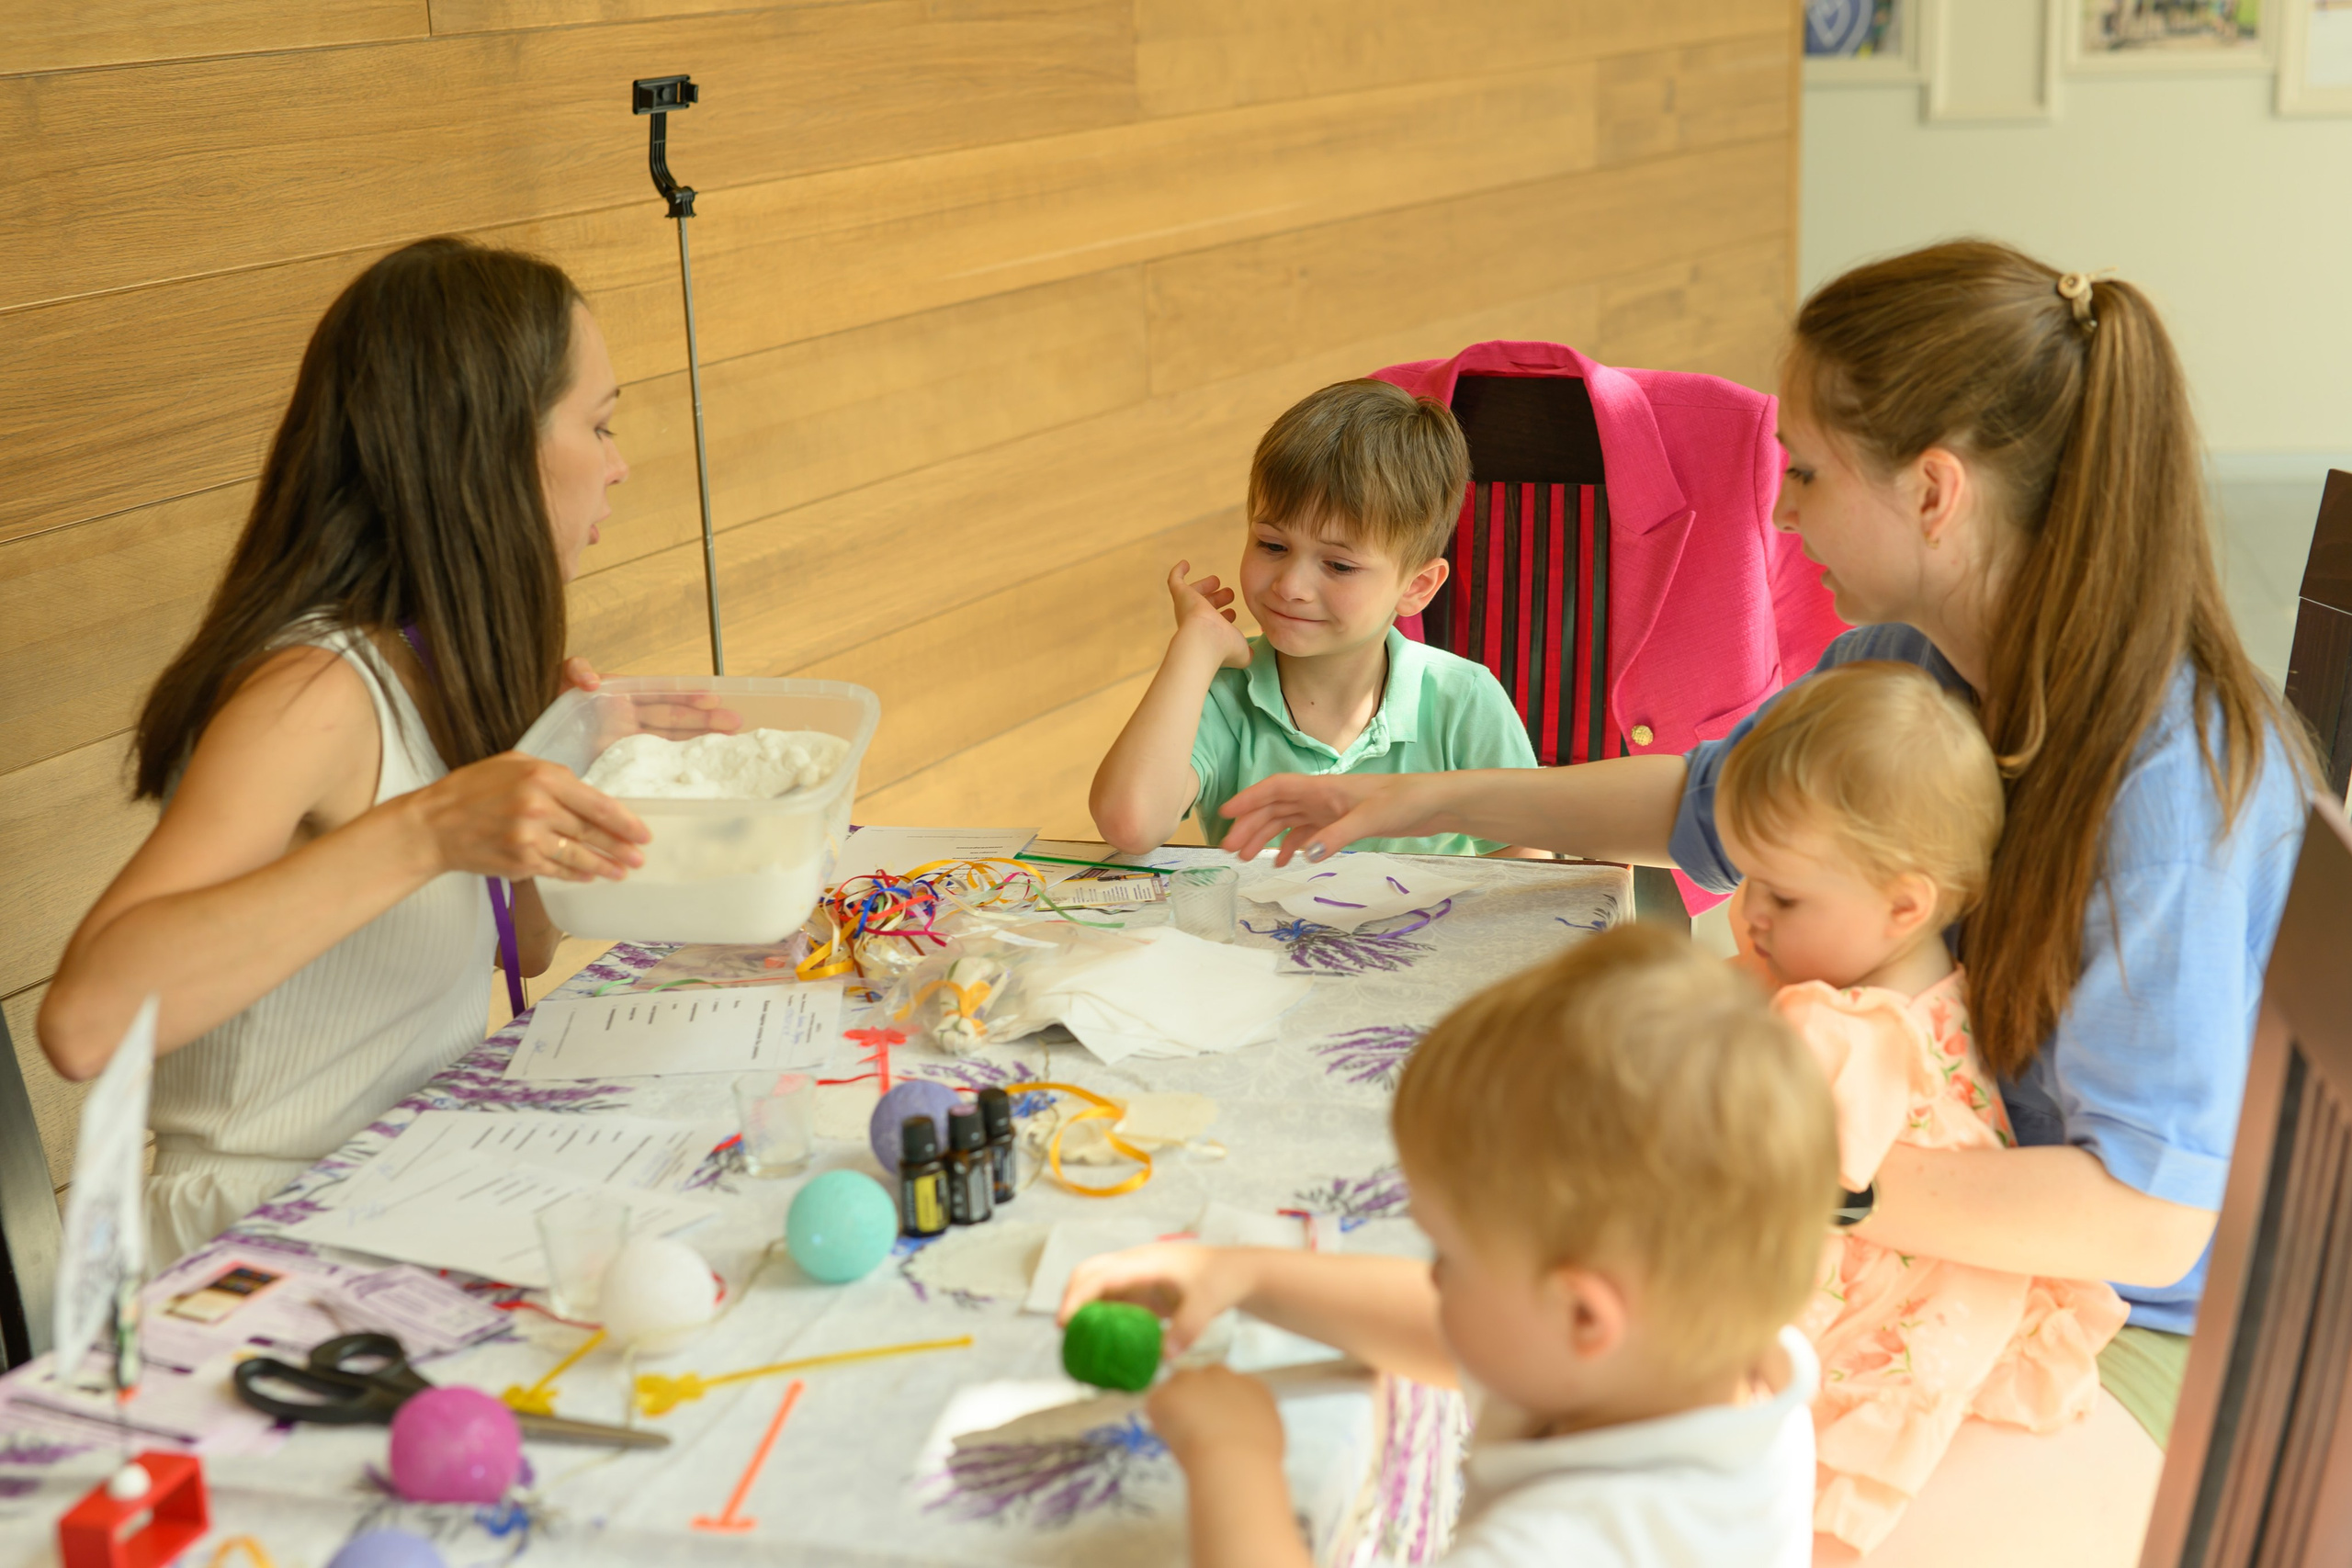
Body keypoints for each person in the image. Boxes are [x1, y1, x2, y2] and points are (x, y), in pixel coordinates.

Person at [1215, 242, 2316, 1462]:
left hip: (2133, 1328)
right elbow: (1710, 802)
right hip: (1947, 1207)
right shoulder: (1913, 663)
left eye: (1802, 472)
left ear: (1934, 492)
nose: (1781, 511)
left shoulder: (2159, 796)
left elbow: (2149, 1218)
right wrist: (1419, 799)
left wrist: (1800, 1172)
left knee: (1598, 1403)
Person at [40, 238, 662, 1266]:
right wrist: (424, 830)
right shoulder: (313, 693)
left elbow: (525, 953)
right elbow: (86, 1024)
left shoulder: (436, 667)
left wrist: (566, 784)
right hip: (251, 1260)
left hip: (408, 1197)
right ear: (489, 449)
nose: (617, 462)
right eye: (597, 425)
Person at [1061, 923, 1839, 1568]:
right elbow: (1460, 1334)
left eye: (1449, 1258)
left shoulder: (1565, 1545)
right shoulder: (1723, 1364)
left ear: (1582, 1314)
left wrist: (1232, 1460)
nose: (1431, 1277)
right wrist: (1239, 1271)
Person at [1714, 660, 2126, 1553]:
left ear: (1903, 903)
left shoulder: (1836, 1030)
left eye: (1780, 895)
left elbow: (1750, 1183)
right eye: (1745, 880)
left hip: (1858, 1307)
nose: (1747, 915)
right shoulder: (1938, 988)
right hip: (1968, 1287)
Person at [1089, 378, 1538, 858]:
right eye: (1272, 545)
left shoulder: (1463, 700)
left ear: (1416, 587)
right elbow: (1130, 825)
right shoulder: (1219, 697)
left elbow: (1529, 861)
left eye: (1339, 565)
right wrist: (1193, 649)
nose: (1290, 587)